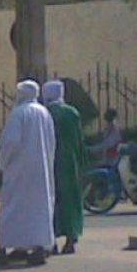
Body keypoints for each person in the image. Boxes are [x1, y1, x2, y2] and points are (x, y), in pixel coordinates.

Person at [0, 80, 57, 266]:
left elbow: (10, 142)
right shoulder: (44, 113)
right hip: (40, 169)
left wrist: (3, 162)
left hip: (19, 169)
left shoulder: (18, 114)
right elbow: (51, 141)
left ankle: (5, 247)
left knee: (13, 206)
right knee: (39, 208)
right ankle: (37, 247)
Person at [43, 80, 86, 255]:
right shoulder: (72, 113)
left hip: (50, 159)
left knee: (51, 199)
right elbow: (79, 140)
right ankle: (71, 238)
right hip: (70, 160)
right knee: (71, 198)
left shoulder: (46, 113)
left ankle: (51, 240)